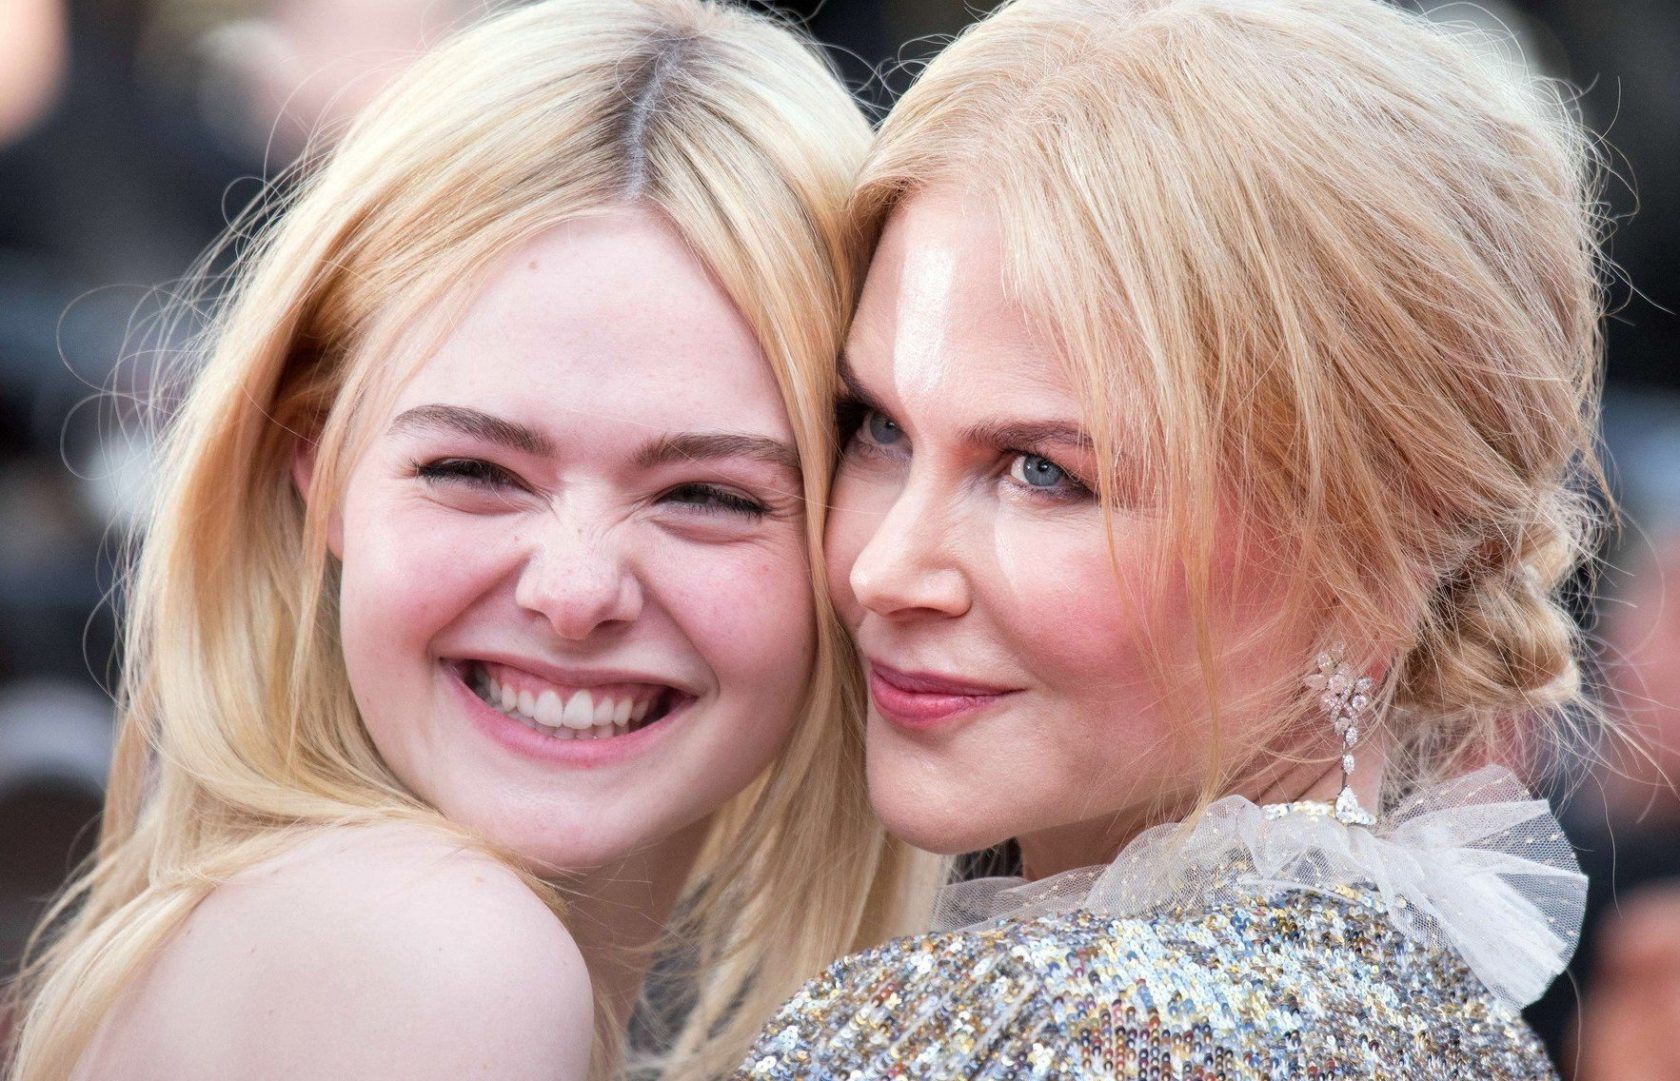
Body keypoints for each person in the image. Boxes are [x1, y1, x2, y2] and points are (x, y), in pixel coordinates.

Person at [3, 2, 939, 1079]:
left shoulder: (291, 933)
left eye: (706, 494)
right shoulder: (444, 962)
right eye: (474, 473)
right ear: (318, 465)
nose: (575, 591)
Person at [738, 0, 1606, 1075]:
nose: (884, 569)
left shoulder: (998, 1032)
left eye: (1044, 472)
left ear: (1379, 553)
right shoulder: (1459, 1031)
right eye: (878, 428)